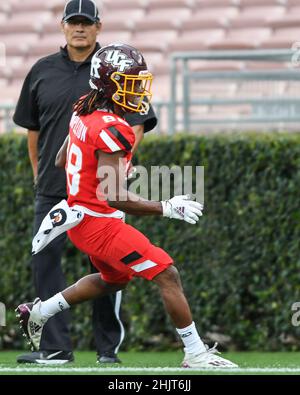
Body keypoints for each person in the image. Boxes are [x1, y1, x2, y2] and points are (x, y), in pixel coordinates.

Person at [16, 43, 238, 369]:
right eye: (131, 83)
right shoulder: (113, 128)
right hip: (99, 223)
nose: (138, 90)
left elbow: (63, 159)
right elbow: (115, 196)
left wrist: (92, 179)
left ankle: (41, 311)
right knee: (167, 274)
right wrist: (166, 207)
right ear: (110, 84)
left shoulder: (84, 110)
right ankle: (195, 353)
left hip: (81, 217)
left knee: (115, 279)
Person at [13, 0, 157, 365]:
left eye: (86, 23)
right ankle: (55, 348)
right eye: (73, 22)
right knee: (45, 263)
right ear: (63, 26)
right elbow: (33, 131)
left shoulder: (113, 67)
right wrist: (39, 175)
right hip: (53, 186)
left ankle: (107, 351)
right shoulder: (42, 70)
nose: (80, 28)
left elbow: (137, 123)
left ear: (98, 27)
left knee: (109, 269)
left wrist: (117, 166)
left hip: (99, 192)